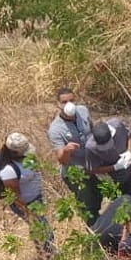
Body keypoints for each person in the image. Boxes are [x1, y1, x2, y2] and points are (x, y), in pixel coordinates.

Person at [0, 132, 67, 260]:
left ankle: (42, 256)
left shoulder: (23, 158)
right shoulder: (9, 171)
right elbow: (14, 196)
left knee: (38, 232)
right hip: (27, 204)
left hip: (35, 200)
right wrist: (29, 212)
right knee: (46, 234)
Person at [47, 87, 99, 223]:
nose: (69, 104)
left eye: (72, 100)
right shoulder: (56, 129)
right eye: (64, 102)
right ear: (58, 104)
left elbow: (92, 130)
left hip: (91, 165)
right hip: (75, 173)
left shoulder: (83, 111)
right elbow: (62, 160)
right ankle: (94, 235)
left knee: (99, 195)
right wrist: (66, 150)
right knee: (88, 207)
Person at [85, 119, 131, 198]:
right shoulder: (90, 147)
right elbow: (92, 169)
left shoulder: (118, 125)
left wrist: (129, 151)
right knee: (123, 198)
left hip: (129, 171)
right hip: (114, 179)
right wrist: (115, 167)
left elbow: (129, 136)